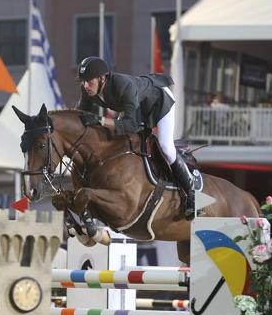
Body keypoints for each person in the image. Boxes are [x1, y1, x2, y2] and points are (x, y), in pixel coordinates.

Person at [75, 56, 195, 219]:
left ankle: (191, 193)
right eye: (83, 82)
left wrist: (101, 120)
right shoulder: (88, 89)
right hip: (136, 107)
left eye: (89, 82)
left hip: (159, 102)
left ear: (102, 79)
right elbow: (80, 114)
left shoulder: (124, 86)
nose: (86, 86)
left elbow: (131, 125)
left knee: (166, 147)